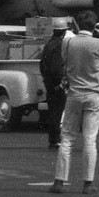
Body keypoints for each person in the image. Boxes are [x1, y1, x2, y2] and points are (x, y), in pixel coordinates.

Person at [51, 11, 99, 194]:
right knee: (89, 139)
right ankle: (88, 183)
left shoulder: (69, 42)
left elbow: (64, 59)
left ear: (78, 25)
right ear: (94, 25)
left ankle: (59, 181)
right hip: (94, 95)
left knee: (67, 138)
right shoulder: (98, 43)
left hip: (74, 94)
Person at [39, 19, 69, 149]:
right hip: (57, 84)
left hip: (49, 82)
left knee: (53, 111)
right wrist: (62, 80)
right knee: (57, 112)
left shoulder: (48, 45)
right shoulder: (59, 46)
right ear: (64, 32)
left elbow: (42, 65)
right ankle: (55, 139)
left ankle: (53, 139)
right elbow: (57, 68)